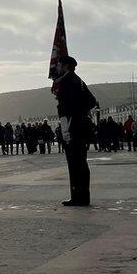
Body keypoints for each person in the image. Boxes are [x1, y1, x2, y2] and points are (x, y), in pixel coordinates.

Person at [55, 56, 98, 207]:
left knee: (75, 163)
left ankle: (78, 197)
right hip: (80, 125)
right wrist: (81, 111)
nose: (57, 67)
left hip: (73, 126)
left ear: (65, 66)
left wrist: (69, 122)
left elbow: (65, 107)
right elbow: (92, 101)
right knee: (81, 162)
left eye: (59, 64)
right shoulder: (78, 80)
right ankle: (83, 196)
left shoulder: (67, 82)